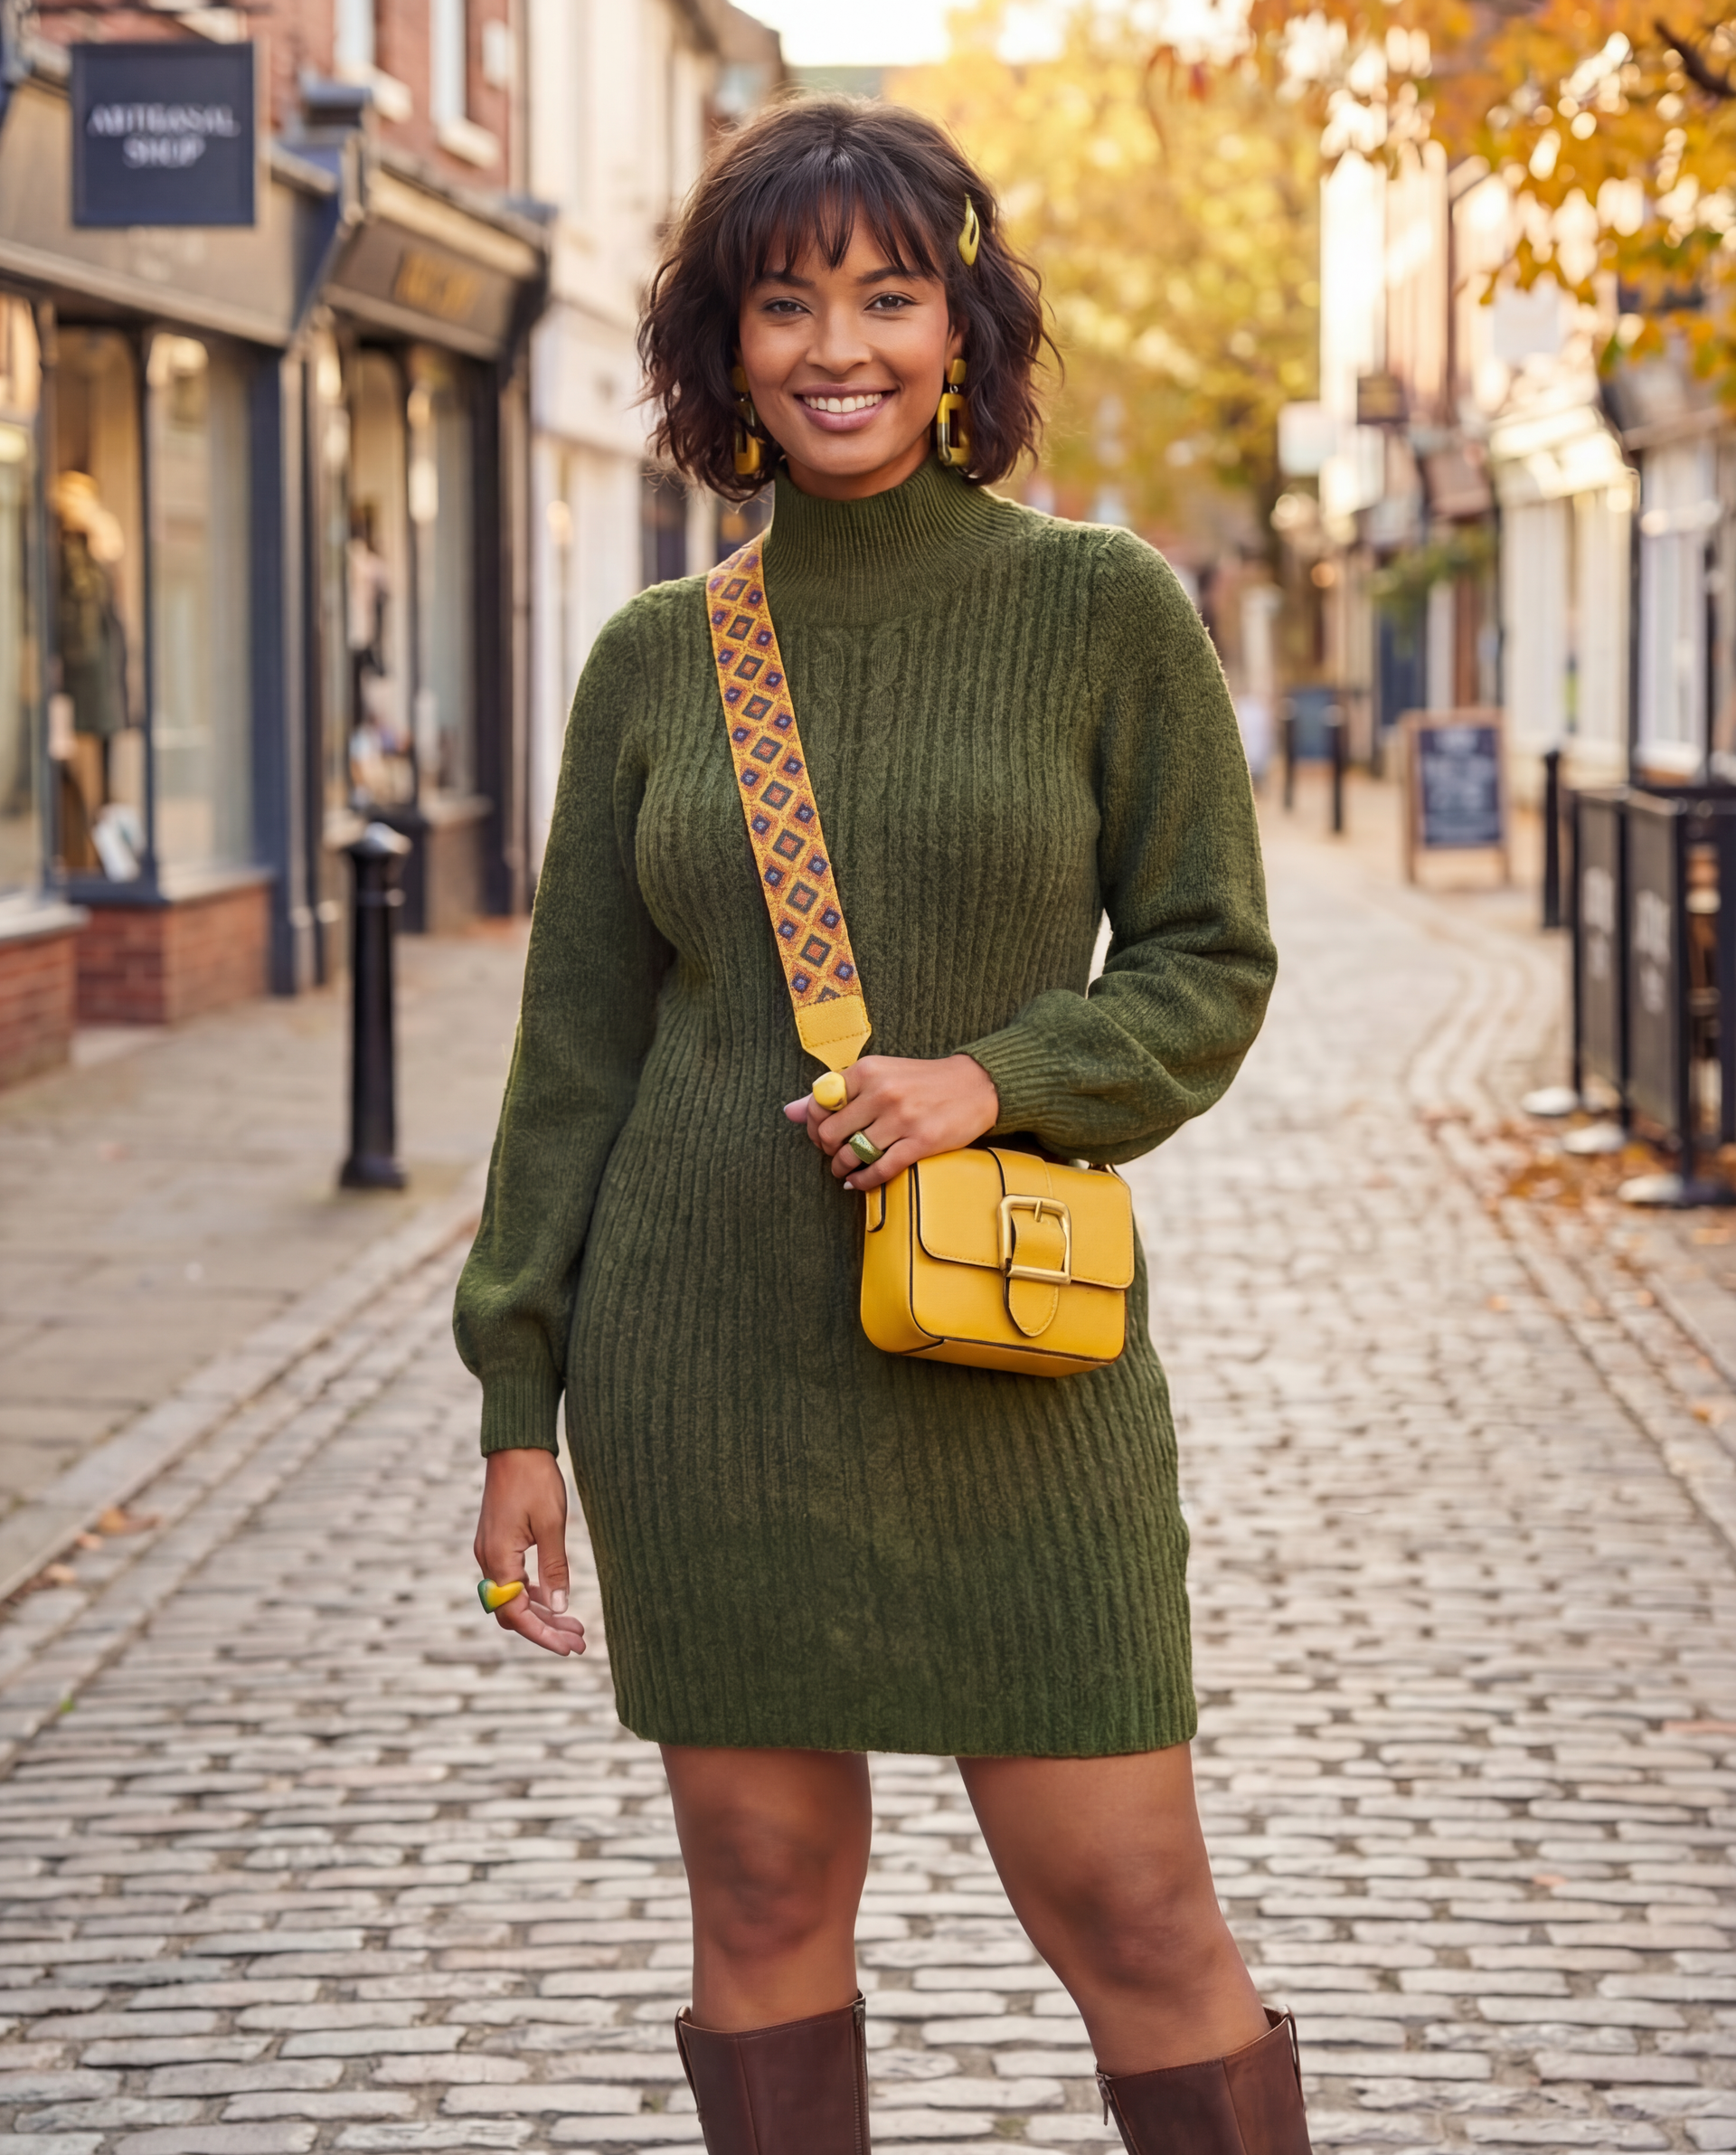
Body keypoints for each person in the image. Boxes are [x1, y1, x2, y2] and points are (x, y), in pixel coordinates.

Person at [456, 98, 1302, 2155]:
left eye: (889, 295)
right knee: (755, 1900)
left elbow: (1210, 961)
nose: (840, 346)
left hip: (1017, 1367)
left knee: (1134, 1903)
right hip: (707, 1361)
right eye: (787, 302)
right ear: (724, 349)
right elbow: (575, 1048)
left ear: (960, 330)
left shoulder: (1106, 612)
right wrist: (516, 1400)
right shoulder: (662, 657)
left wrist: (998, 1078)